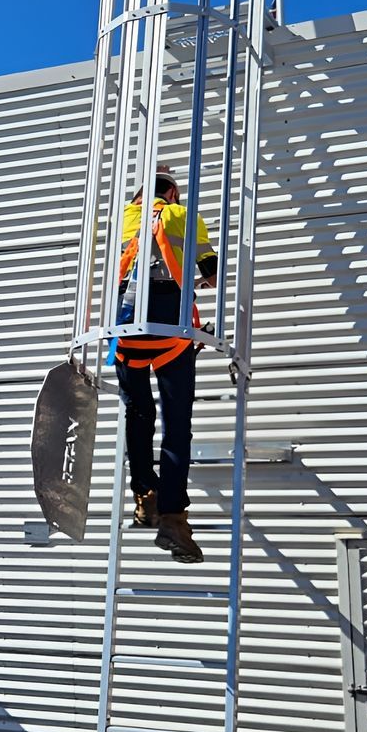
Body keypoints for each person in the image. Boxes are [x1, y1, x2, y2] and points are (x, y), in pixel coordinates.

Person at [113, 166, 216, 563]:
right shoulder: (179, 215)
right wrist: (199, 279)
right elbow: (209, 267)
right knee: (177, 426)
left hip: (127, 332)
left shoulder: (122, 218)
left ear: (139, 196)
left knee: (139, 416)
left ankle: (145, 496)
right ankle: (173, 517)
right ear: (170, 193)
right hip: (170, 332)